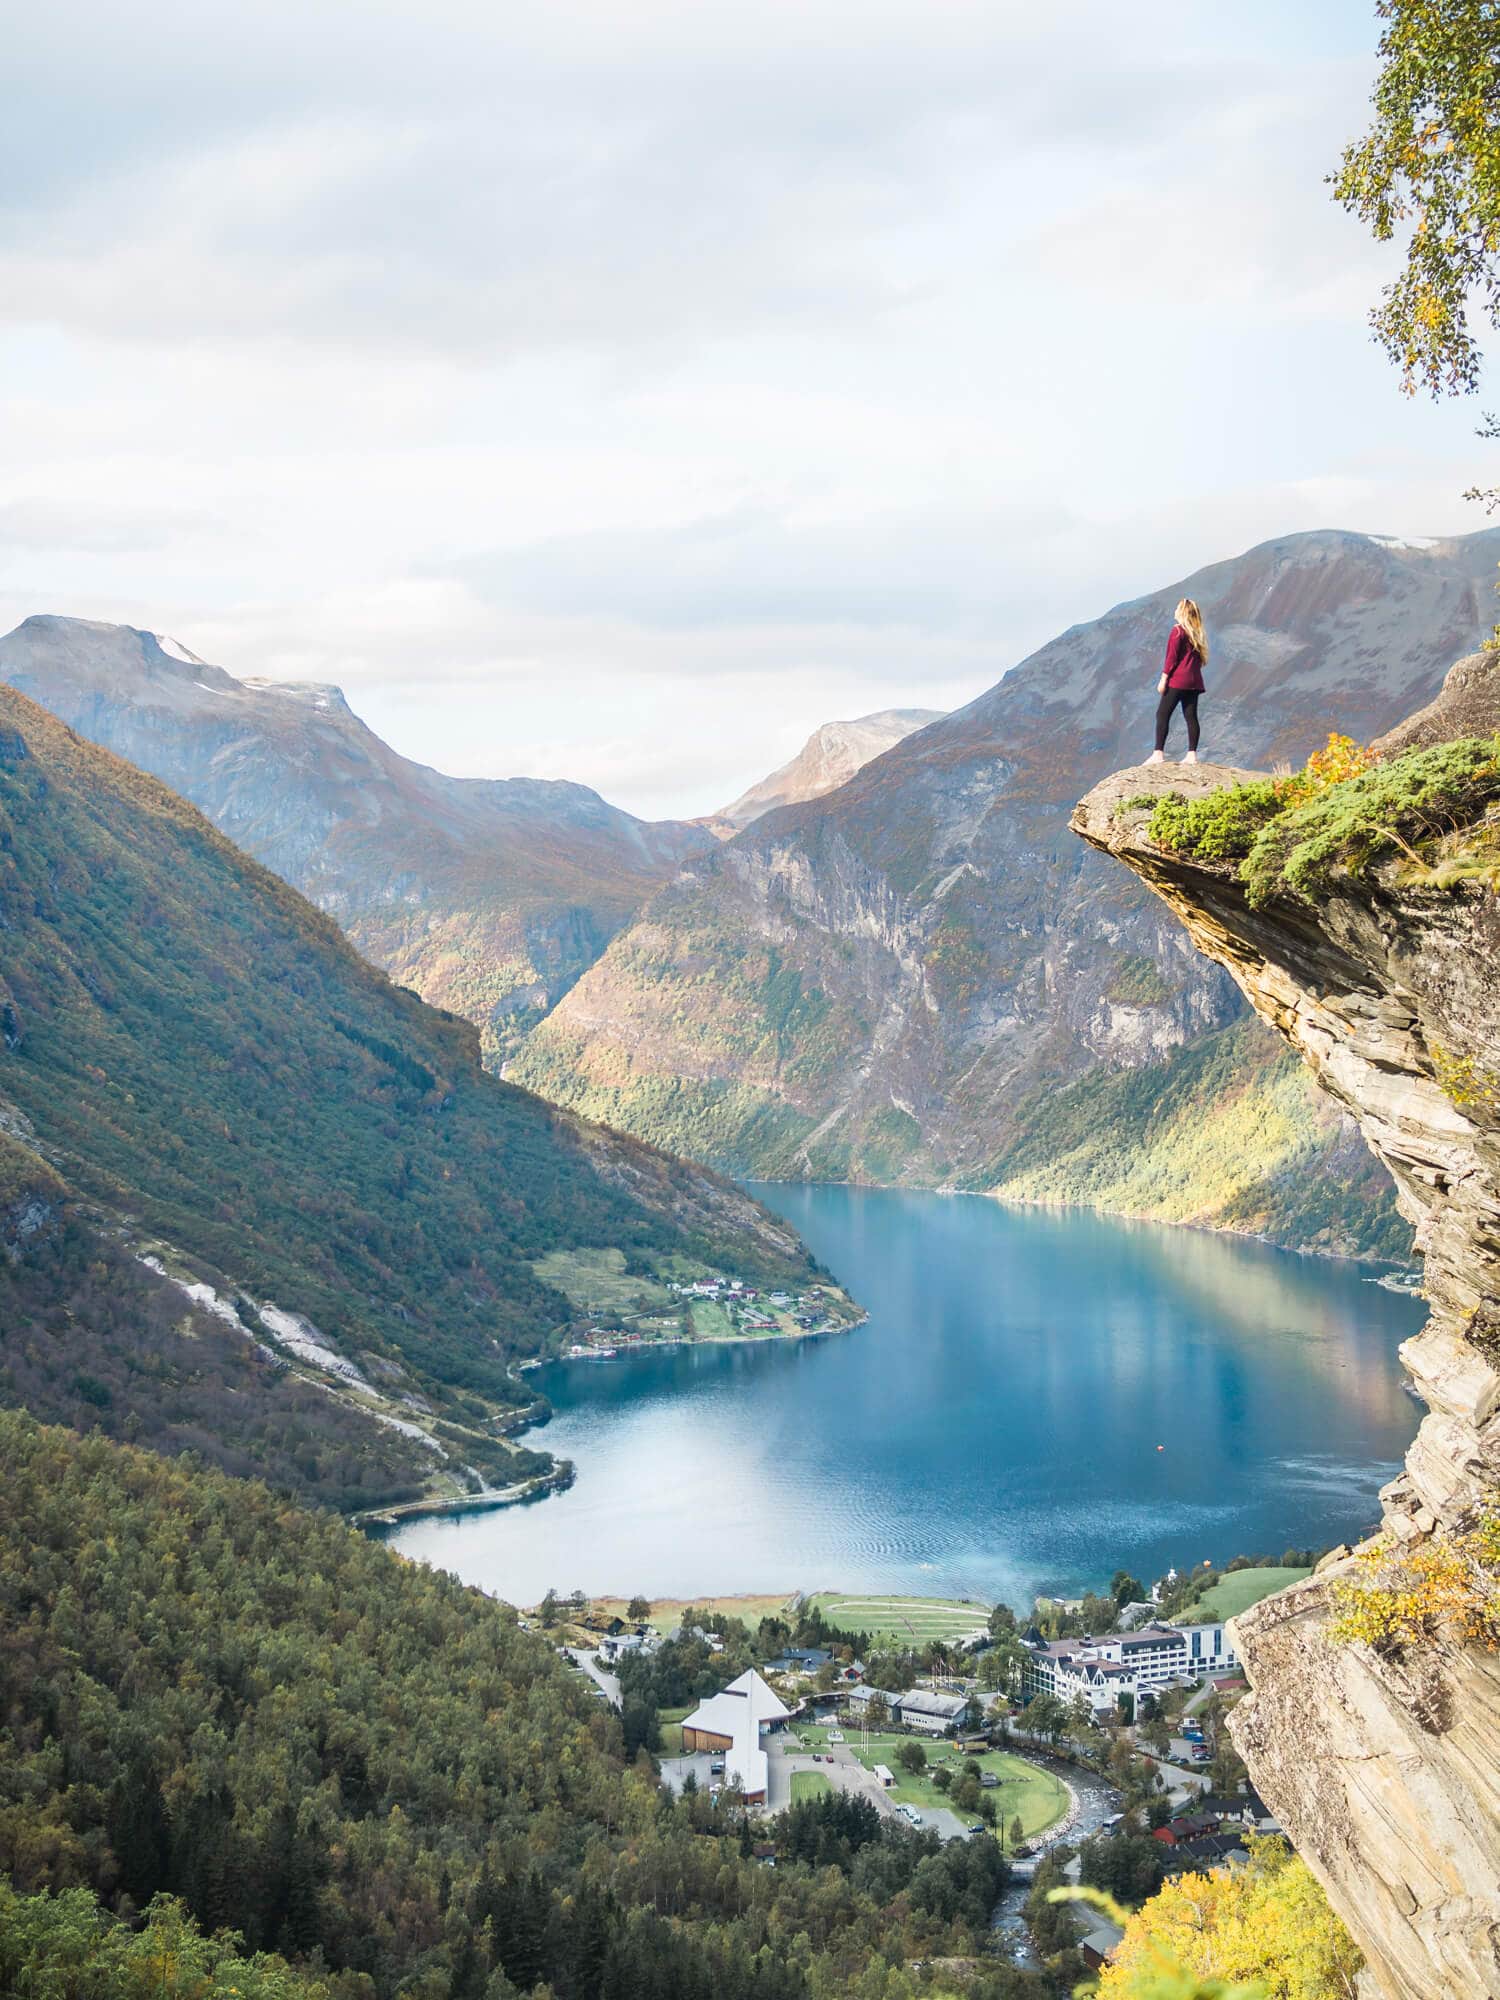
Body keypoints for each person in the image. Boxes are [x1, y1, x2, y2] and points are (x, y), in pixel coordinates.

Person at [1146, 597, 1208, 764]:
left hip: (1178, 680)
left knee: (1162, 713)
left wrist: (1164, 679)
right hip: (1194, 681)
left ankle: (1158, 754)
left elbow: (1171, 658)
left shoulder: (1178, 631)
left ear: (1181, 612)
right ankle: (1192, 755)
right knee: (1191, 716)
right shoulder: (1197, 633)